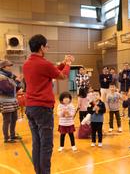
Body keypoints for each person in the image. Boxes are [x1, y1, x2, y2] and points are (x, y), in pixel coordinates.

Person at [23, 34, 73, 174]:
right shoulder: (43, 63)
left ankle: (38, 171)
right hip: (43, 109)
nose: (47, 48)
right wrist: (68, 64)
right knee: (46, 145)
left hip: (30, 108)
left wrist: (62, 63)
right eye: (46, 46)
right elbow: (61, 75)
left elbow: (51, 70)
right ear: (41, 47)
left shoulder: (27, 64)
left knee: (36, 143)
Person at [0, 60, 22, 143]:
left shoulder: (9, 76)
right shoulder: (1, 76)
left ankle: (12, 135)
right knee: (7, 120)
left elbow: (13, 88)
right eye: (9, 66)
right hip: (5, 101)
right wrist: (17, 82)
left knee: (14, 118)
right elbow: (7, 89)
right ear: (3, 67)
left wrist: (18, 86)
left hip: (12, 100)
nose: (10, 67)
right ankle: (7, 138)